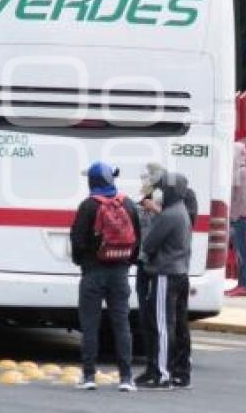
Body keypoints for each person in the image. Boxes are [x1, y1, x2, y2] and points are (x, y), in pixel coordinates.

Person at [70, 162, 141, 391]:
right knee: (122, 325)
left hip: (93, 272)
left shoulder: (88, 206)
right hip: (120, 273)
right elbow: (137, 240)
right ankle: (126, 378)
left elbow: (77, 241)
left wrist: (84, 262)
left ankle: (89, 376)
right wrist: (125, 263)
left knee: (90, 325)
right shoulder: (128, 204)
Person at [135, 164, 197, 389]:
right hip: (180, 273)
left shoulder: (169, 215)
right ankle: (181, 372)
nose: (160, 192)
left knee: (162, 325)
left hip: (164, 274)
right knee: (179, 324)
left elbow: (150, 243)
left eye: (162, 188)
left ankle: (161, 373)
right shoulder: (182, 210)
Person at [226, 142, 246, 297]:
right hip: (240, 217)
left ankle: (244, 285)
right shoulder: (239, 170)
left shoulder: (242, 172)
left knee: (242, 253)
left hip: (240, 218)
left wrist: (232, 218)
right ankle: (241, 284)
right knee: (239, 252)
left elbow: (241, 198)